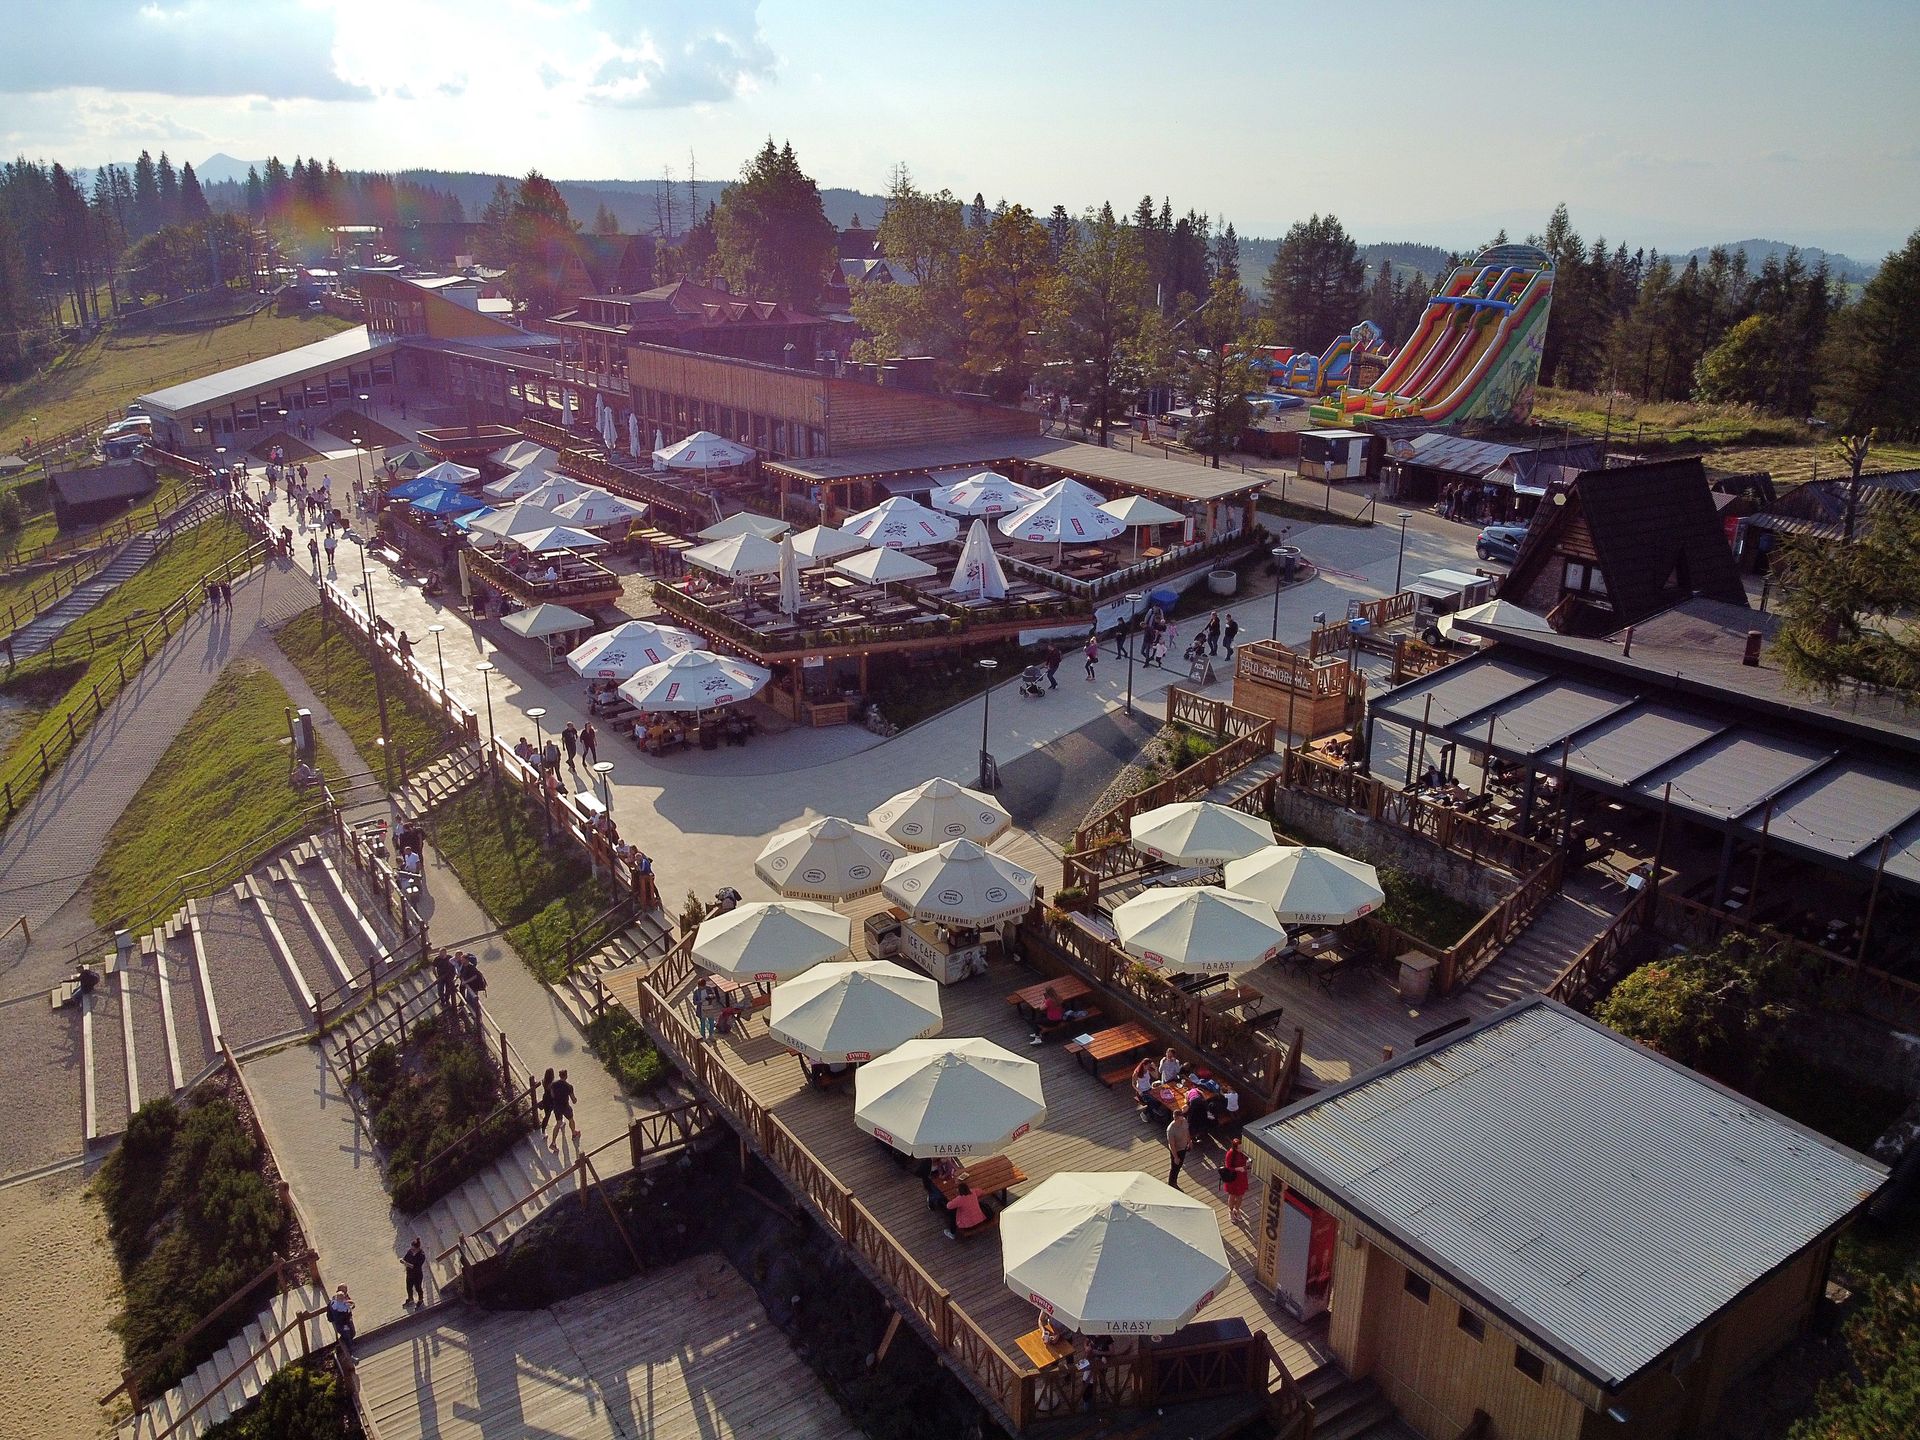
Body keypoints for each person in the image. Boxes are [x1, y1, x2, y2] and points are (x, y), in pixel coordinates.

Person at [1219, 1138, 1252, 1222]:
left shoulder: (1243, 1152)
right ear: (1235, 1147)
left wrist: (1248, 1163)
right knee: (1232, 1195)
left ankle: (1237, 1210)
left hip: (1242, 1177)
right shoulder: (1230, 1154)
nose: (1241, 1149)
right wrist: (1238, 1169)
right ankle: (1230, 1211)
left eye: (1241, 1147)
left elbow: (1247, 1160)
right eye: (1239, 1148)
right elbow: (1228, 1167)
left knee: (1240, 1196)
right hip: (1233, 1177)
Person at [548, 1068, 578, 1150]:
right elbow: (573, 1100)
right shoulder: (569, 1087)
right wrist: (575, 1100)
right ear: (566, 1076)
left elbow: (552, 1095)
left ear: (559, 1075)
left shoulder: (553, 1084)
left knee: (558, 1123)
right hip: (565, 1106)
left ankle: (553, 1143)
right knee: (571, 1119)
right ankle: (574, 1133)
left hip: (556, 1107)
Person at [1165, 1111, 1192, 1188]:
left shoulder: (1184, 1121)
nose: (1182, 1117)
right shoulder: (1170, 1130)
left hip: (1183, 1147)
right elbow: (1171, 1145)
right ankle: (1171, 1184)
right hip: (1176, 1150)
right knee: (1174, 1168)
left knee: (1179, 1166)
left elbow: (1186, 1131)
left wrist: (1189, 1141)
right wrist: (1175, 1157)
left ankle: (1174, 1182)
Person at [403, 1237, 428, 1306]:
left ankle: (420, 1299)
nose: (412, 1250)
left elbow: (415, 1266)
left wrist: (405, 1263)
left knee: (418, 1288)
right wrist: (404, 1261)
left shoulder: (421, 1255)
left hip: (417, 1275)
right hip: (409, 1273)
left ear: (417, 1248)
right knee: (408, 1287)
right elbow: (406, 1258)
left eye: (413, 1249)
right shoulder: (410, 1251)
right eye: (411, 1248)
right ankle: (410, 1299)